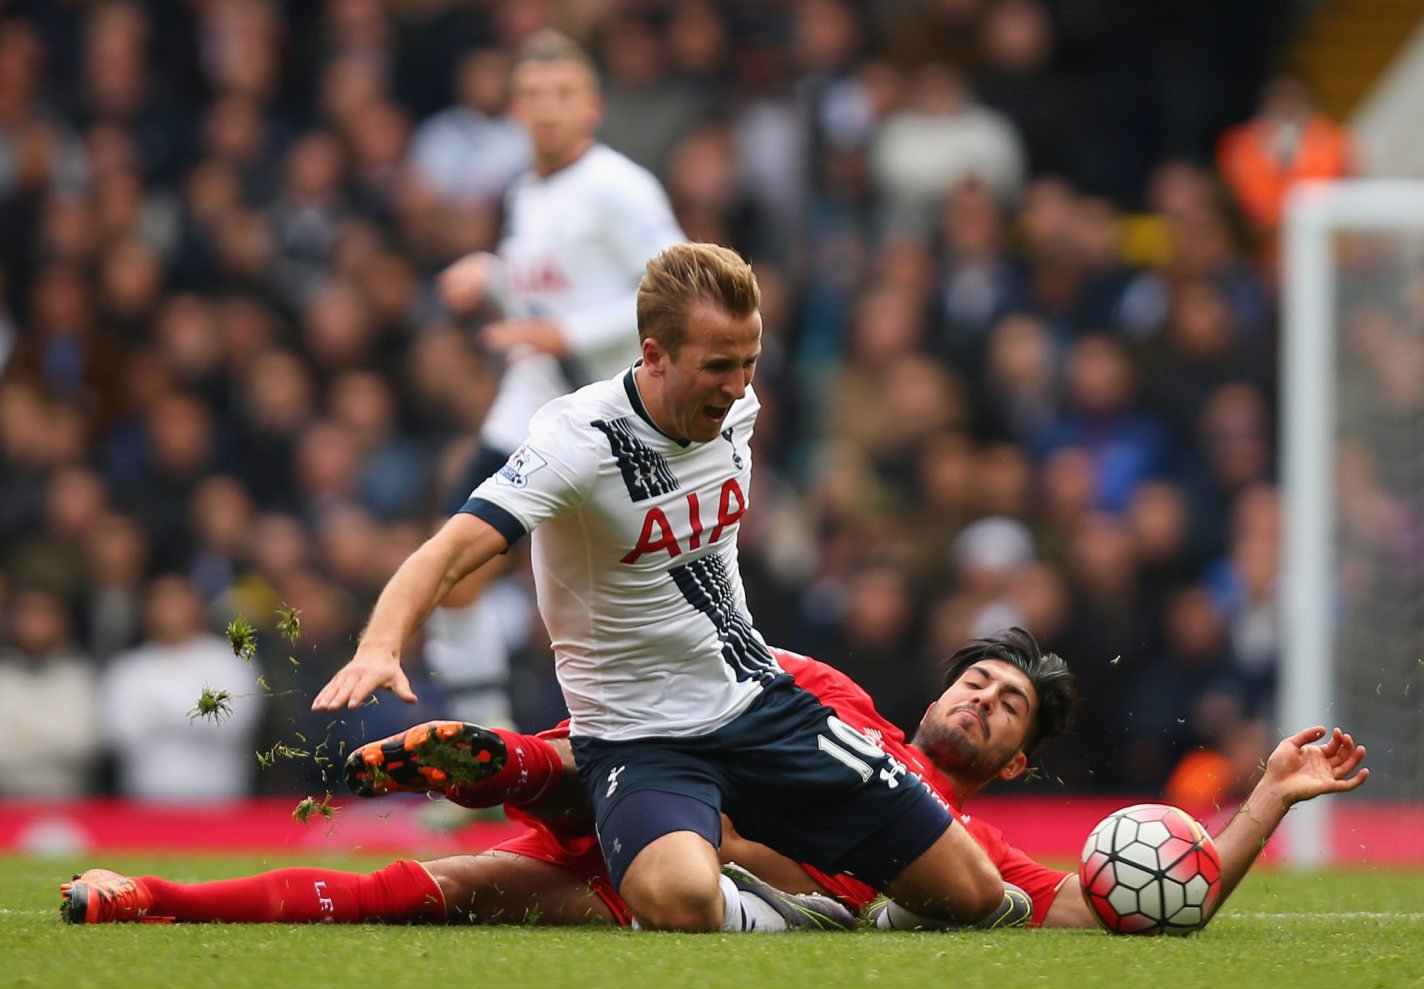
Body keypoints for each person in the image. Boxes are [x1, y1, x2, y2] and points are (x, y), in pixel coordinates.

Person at [310, 239, 1010, 934]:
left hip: (759, 705)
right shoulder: (575, 442)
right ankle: (780, 917)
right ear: (653, 355)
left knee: (973, 894)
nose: (738, 386)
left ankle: (865, 914)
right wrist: (381, 643)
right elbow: (448, 550)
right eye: (717, 367)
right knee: (676, 900)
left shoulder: (735, 403)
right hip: (638, 737)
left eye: (749, 362)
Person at [61, 628, 1369, 930]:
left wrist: (1262, 797)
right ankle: (150, 896)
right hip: (660, 804)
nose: (979, 692)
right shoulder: (829, 695)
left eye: (1006, 701)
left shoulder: (961, 841)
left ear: (1017, 754)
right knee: (615, 774)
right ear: (934, 683)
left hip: (703, 877)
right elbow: (672, 690)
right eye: (975, 674)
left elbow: (1115, 905)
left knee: (422, 891)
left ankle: (153, 896)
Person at [423, 28, 686, 729]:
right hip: (535, 401)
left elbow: (679, 287)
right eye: (533, 95)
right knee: (455, 563)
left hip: (618, 415)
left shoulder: (620, 186)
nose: (547, 108)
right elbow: (542, 293)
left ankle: (684, 748)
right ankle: (482, 754)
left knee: (643, 600)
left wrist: (564, 333)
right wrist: (491, 274)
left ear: (593, 106)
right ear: (513, 109)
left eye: (563, 94)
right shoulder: (525, 194)